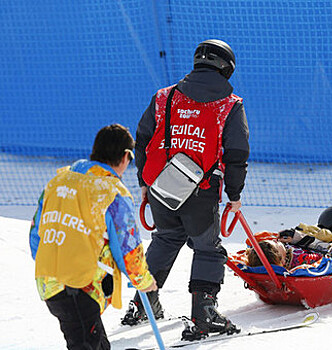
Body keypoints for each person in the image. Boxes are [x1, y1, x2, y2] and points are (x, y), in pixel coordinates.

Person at [122, 39, 249, 339]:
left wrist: (143, 182)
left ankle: (143, 302)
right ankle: (204, 312)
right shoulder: (230, 105)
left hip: (160, 187)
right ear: (227, 67)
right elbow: (236, 154)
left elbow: (142, 140)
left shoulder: (163, 97)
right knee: (208, 248)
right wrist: (234, 195)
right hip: (200, 191)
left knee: (166, 239)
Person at [29, 124, 157, 350]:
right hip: (82, 286)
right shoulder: (111, 191)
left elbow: (36, 235)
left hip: (49, 281)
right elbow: (128, 248)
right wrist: (143, 280)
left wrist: (55, 261)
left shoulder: (57, 182)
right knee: (87, 342)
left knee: (87, 339)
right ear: (126, 156)